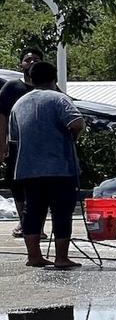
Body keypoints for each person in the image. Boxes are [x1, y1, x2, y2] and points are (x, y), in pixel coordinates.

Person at [8, 61, 85, 269]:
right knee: (61, 211)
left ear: (30, 80)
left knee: (33, 211)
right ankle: (61, 258)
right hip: (59, 166)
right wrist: (72, 137)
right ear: (55, 79)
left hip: (28, 168)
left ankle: (34, 256)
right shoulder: (59, 99)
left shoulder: (18, 104)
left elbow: (14, 137)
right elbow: (76, 123)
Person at [0, 47, 45, 238]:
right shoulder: (11, 87)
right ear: (21, 64)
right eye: (28, 59)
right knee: (17, 185)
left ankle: (38, 228)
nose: (32, 62)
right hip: (16, 145)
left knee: (42, 186)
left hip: (42, 147)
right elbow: (1, 117)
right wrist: (2, 144)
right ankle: (25, 223)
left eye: (36, 59)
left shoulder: (47, 87)